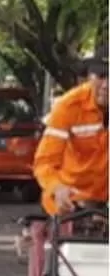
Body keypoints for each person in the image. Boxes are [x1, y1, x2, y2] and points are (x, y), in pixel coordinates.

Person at [34, 45, 108, 216]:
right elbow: (45, 163)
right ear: (90, 77)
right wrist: (57, 187)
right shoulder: (69, 106)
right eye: (102, 76)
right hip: (69, 204)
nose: (106, 85)